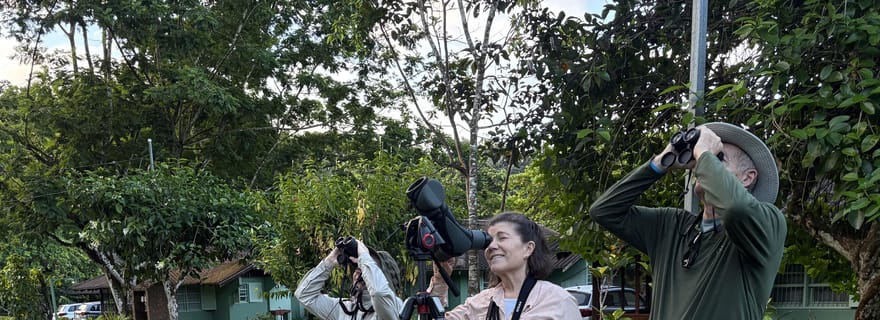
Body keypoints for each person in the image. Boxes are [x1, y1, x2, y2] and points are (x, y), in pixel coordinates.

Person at [589, 122, 787, 320]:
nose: (701, 165)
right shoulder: (671, 225)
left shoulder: (768, 224)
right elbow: (605, 211)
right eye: (701, 159)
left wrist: (704, 153)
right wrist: (660, 163)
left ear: (747, 178)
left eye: (718, 158)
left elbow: (736, 209)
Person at [435, 212, 581, 320]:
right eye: (489, 241)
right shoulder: (479, 303)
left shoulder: (558, 301)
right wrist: (441, 278)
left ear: (528, 248)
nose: (491, 246)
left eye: (502, 238)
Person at [295, 238, 403, 320]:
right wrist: (329, 262)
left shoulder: (393, 306)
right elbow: (304, 296)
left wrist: (364, 257)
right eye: (357, 269)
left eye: (365, 270)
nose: (358, 273)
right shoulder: (345, 309)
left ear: (383, 275)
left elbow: (379, 293)